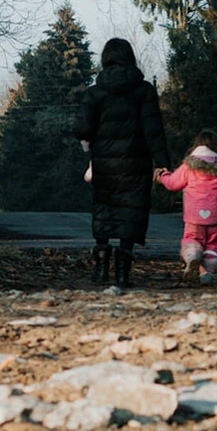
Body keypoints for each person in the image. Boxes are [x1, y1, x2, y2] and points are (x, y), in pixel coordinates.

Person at [73, 38, 171, 287]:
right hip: (136, 163)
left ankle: (101, 268)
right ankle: (123, 272)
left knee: (104, 209)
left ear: (105, 59)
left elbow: (81, 126)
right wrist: (162, 163)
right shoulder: (144, 91)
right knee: (131, 213)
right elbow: (154, 130)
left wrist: (89, 134)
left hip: (105, 164)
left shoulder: (95, 93)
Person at [156, 129, 217, 286]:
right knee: (212, 245)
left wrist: (162, 176)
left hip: (194, 214)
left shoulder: (189, 166)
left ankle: (192, 257)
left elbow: (173, 183)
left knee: (192, 239)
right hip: (215, 214)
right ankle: (206, 274)